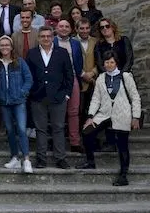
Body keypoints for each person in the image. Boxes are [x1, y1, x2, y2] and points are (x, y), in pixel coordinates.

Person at [77, 51, 142, 186]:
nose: (109, 65)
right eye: (107, 62)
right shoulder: (101, 78)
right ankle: (90, 162)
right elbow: (96, 99)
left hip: (122, 114)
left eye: (112, 62)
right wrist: (90, 116)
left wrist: (136, 116)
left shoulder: (126, 76)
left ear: (116, 63)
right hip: (104, 113)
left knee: (122, 144)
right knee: (86, 132)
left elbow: (135, 97)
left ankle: (123, 175)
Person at [26, 26, 74, 169]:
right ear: (39, 38)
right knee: (40, 129)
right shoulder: (32, 53)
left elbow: (69, 75)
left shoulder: (62, 52)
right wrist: (32, 93)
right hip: (38, 97)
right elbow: (28, 75)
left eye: (48, 36)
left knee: (58, 127)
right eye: (43, 36)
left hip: (58, 97)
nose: (46, 39)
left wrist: (66, 94)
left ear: (52, 37)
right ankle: (41, 159)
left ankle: (60, 158)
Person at [0, 36, 34, 173]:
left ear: (11, 47)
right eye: (2, 45)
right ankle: (15, 158)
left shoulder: (19, 62)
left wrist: (22, 92)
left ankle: (26, 159)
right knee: (10, 131)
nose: (4, 47)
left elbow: (28, 79)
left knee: (21, 129)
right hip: (4, 103)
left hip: (18, 102)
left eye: (7, 45)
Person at [54, 20, 85, 152]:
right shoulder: (51, 41)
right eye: (61, 26)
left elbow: (79, 62)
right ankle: (57, 143)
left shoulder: (76, 44)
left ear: (71, 29)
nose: (64, 28)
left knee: (73, 111)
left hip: (72, 78)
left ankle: (75, 142)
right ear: (56, 28)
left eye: (67, 26)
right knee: (57, 112)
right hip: (55, 80)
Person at [75, 18, 99, 123]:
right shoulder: (72, 42)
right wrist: (83, 74)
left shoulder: (95, 41)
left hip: (94, 80)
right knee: (78, 110)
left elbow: (100, 60)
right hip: (78, 80)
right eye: (82, 28)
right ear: (76, 29)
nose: (85, 31)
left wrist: (93, 73)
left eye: (87, 28)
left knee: (92, 110)